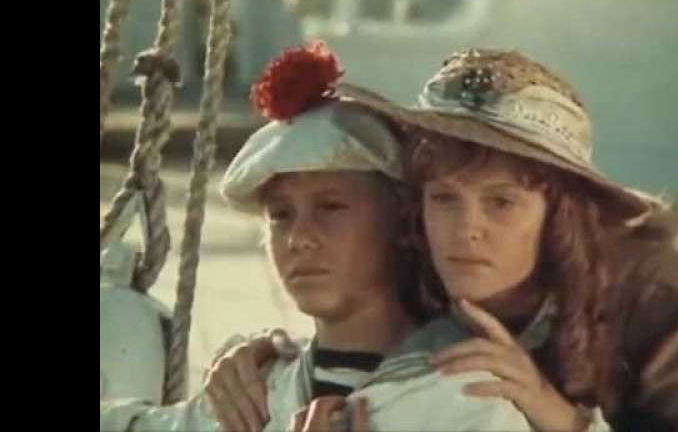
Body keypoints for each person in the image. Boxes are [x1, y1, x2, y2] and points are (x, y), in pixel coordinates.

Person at [216, 48, 678, 432]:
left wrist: (564, 419)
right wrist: (259, 355)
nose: (466, 228)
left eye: (501, 202)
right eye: (444, 198)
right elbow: (351, 323)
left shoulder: (657, 301)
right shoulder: (423, 264)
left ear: (557, 214)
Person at [100, 42, 534, 432]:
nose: (299, 238)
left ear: (403, 221)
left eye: (331, 208)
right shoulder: (254, 395)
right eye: (281, 215)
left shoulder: (468, 402)